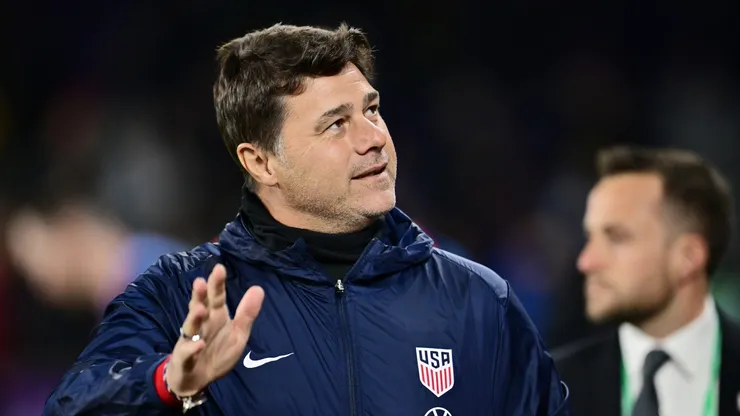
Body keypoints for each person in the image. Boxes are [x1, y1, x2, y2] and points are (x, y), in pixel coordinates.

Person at [43, 23, 569, 415]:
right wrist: (168, 383)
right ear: (261, 162)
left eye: (372, 109)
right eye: (336, 125)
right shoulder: (181, 296)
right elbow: (72, 405)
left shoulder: (477, 299)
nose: (373, 139)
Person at [552, 146, 740, 416]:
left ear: (688, 256)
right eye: (590, 237)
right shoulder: (551, 386)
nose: (586, 261)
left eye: (616, 237)